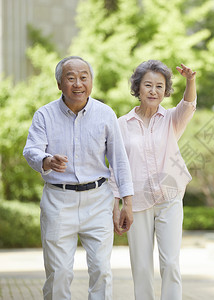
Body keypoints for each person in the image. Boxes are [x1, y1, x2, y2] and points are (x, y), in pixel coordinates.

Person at [23, 56, 134, 300]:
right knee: (59, 272)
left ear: (91, 81)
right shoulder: (44, 115)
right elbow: (31, 150)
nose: (78, 83)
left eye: (84, 77)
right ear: (59, 84)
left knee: (102, 271)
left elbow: (119, 161)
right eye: (70, 78)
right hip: (58, 200)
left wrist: (127, 202)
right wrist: (46, 160)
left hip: (98, 201)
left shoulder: (105, 114)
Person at [109, 60, 196, 300]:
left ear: (165, 91)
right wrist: (116, 205)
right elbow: (117, 168)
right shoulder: (121, 125)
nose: (153, 91)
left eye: (160, 86)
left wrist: (190, 80)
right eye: (148, 85)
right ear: (137, 88)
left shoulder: (171, 120)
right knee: (142, 268)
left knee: (170, 263)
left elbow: (189, 105)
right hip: (136, 203)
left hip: (169, 197)